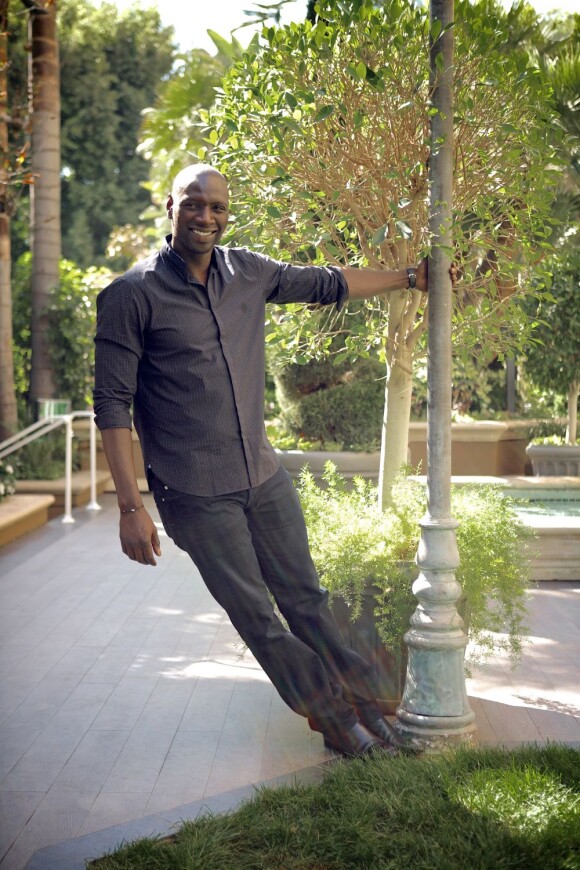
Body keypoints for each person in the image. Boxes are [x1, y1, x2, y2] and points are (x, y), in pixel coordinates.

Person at [93, 164, 427, 758]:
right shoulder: (131, 296)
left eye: (217, 208)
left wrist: (409, 276)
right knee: (262, 620)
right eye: (194, 204)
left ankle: (372, 711)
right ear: (169, 206)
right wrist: (129, 507)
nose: (206, 217)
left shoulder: (247, 271)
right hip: (194, 493)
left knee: (309, 601)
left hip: (262, 477)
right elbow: (112, 406)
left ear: (227, 215)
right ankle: (337, 724)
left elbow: (329, 283)